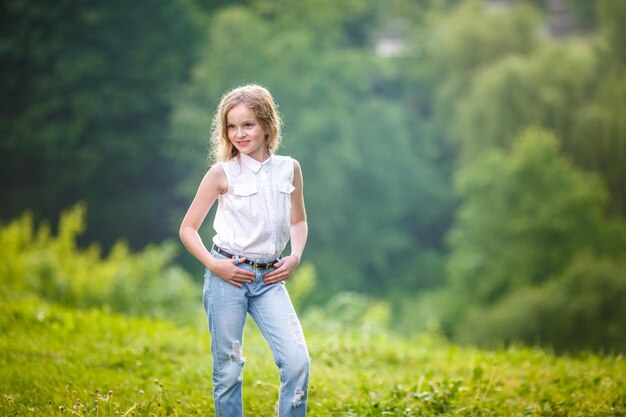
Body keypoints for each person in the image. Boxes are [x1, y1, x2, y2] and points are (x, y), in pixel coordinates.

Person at [179, 84, 310, 416]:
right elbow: (188, 229)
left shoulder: (289, 168)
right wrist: (215, 265)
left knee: (297, 361)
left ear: (267, 125)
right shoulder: (222, 173)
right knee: (229, 371)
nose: (239, 134)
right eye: (231, 126)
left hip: (270, 281)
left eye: (247, 125)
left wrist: (294, 256)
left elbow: (299, 221)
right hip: (228, 278)